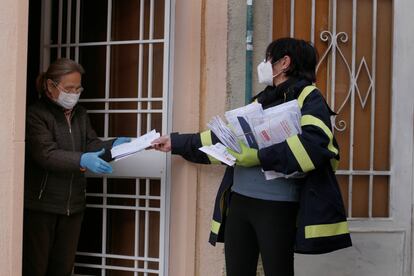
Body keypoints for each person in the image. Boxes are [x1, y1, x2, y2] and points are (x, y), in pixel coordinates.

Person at [151, 38, 352, 275]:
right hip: (240, 203)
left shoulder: (309, 97)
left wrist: (259, 157)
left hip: (276, 207)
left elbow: (315, 145)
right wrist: (175, 142)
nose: (264, 64)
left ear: (284, 63)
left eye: (268, 59)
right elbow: (224, 139)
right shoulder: (262, 99)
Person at [23, 58, 130, 276]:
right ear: (50, 86)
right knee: (36, 267)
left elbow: (91, 144)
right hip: (42, 206)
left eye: (78, 88)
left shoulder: (80, 114)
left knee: (62, 268)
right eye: (69, 88)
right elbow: (46, 154)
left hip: (74, 206)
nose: (74, 93)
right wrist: (82, 160)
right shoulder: (36, 114)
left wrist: (113, 145)